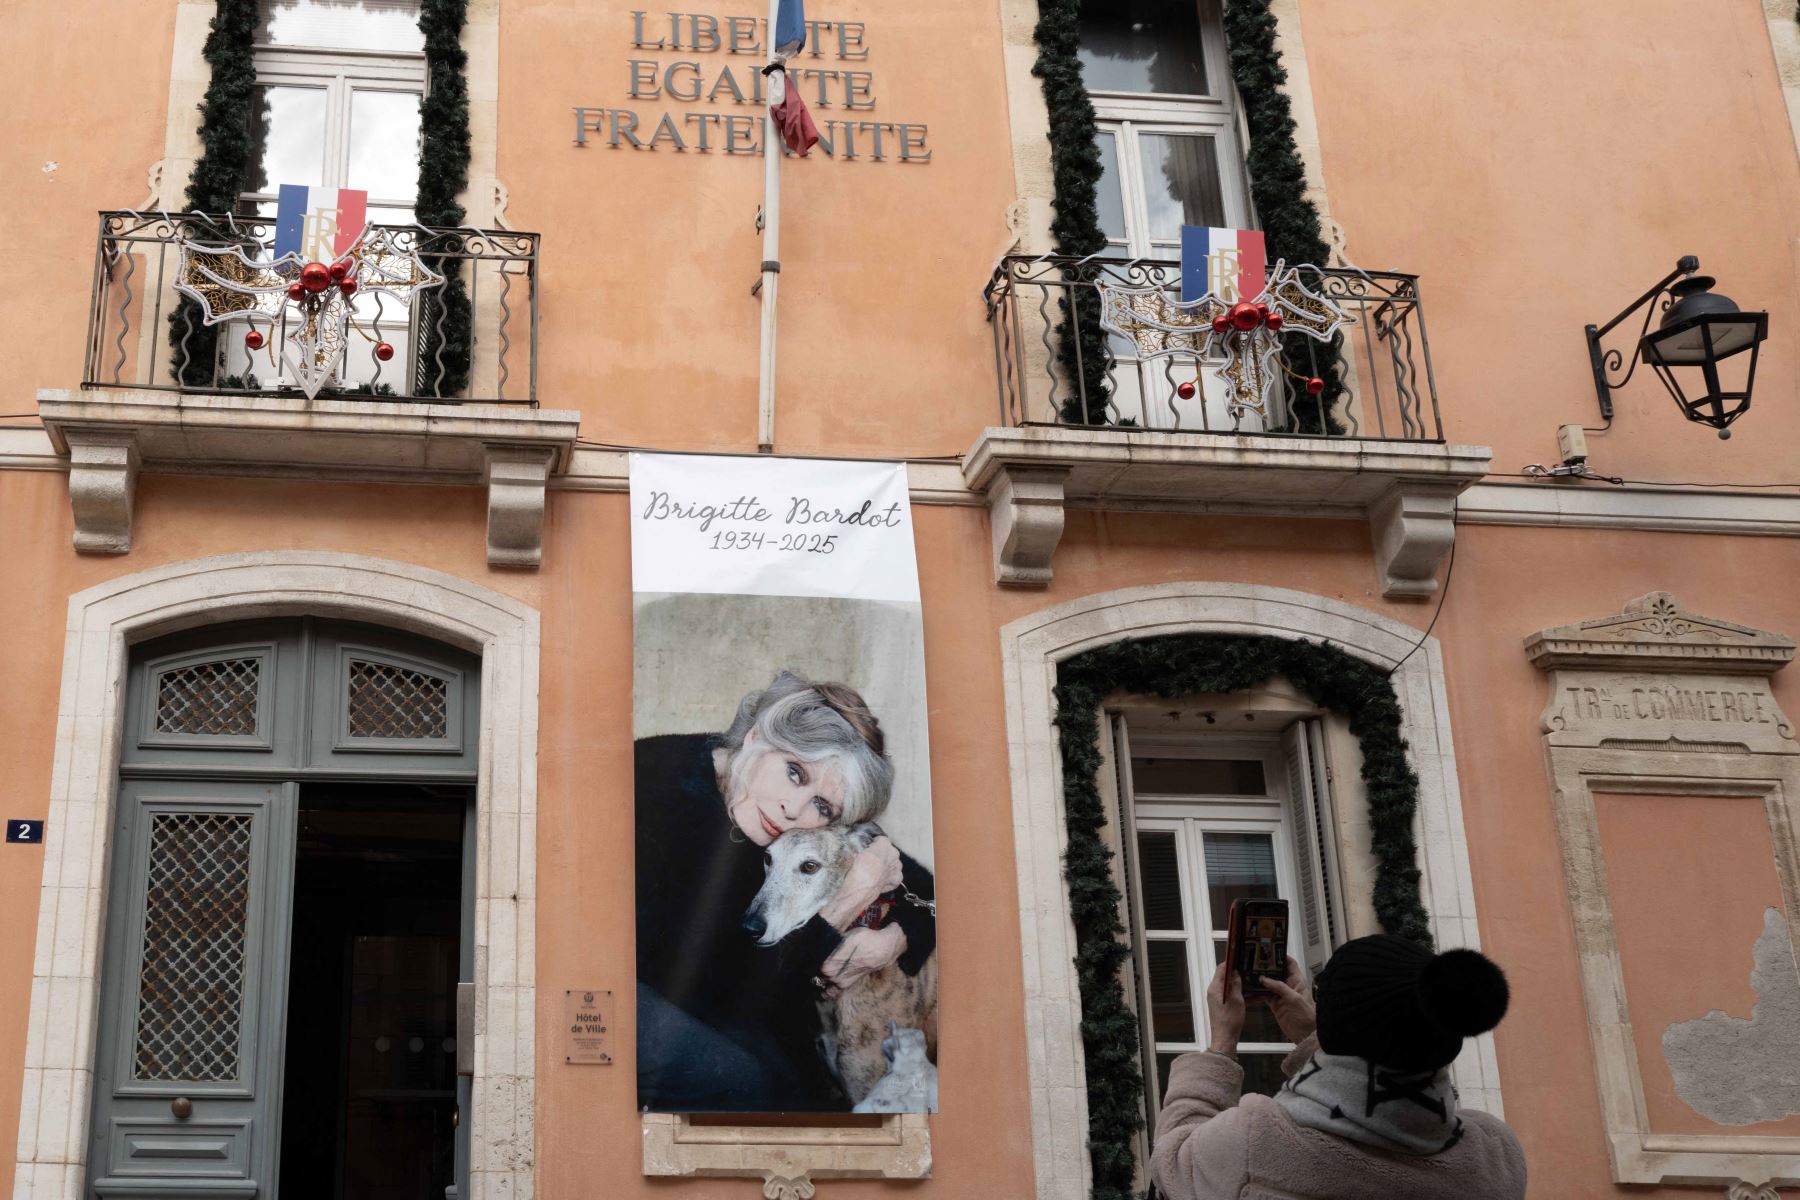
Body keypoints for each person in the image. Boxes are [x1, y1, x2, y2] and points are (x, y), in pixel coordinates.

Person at [635, 671, 936, 1111]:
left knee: (802, 1083)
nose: (795, 809)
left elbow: (924, 892)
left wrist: (892, 939)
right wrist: (851, 897)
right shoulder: (659, 787)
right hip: (614, 987)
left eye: (823, 806)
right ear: (758, 737)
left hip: (718, 986)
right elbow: (725, 990)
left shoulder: (776, 810)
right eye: (795, 773)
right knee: (751, 1083)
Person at [1152, 936, 1527, 1200]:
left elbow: (1173, 1162)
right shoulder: (1496, 1157)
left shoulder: (1255, 1144)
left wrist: (1220, 1046)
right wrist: (1317, 1039)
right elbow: (1382, 1090)